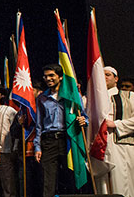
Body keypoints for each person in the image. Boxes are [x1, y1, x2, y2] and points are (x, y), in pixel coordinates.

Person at [94, 66, 134, 197]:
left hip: (123, 145)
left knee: (125, 179)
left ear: (116, 78)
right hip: (103, 145)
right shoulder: (94, 99)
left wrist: (116, 124)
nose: (104, 77)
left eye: (108, 75)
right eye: (101, 75)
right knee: (106, 182)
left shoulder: (129, 95)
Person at [34, 64, 86, 197]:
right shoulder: (42, 98)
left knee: (71, 176)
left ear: (60, 77)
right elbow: (39, 124)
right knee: (48, 179)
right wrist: (37, 147)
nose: (48, 79)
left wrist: (83, 121)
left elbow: (85, 117)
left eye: (51, 75)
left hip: (68, 139)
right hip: (49, 141)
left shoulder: (72, 96)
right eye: (45, 76)